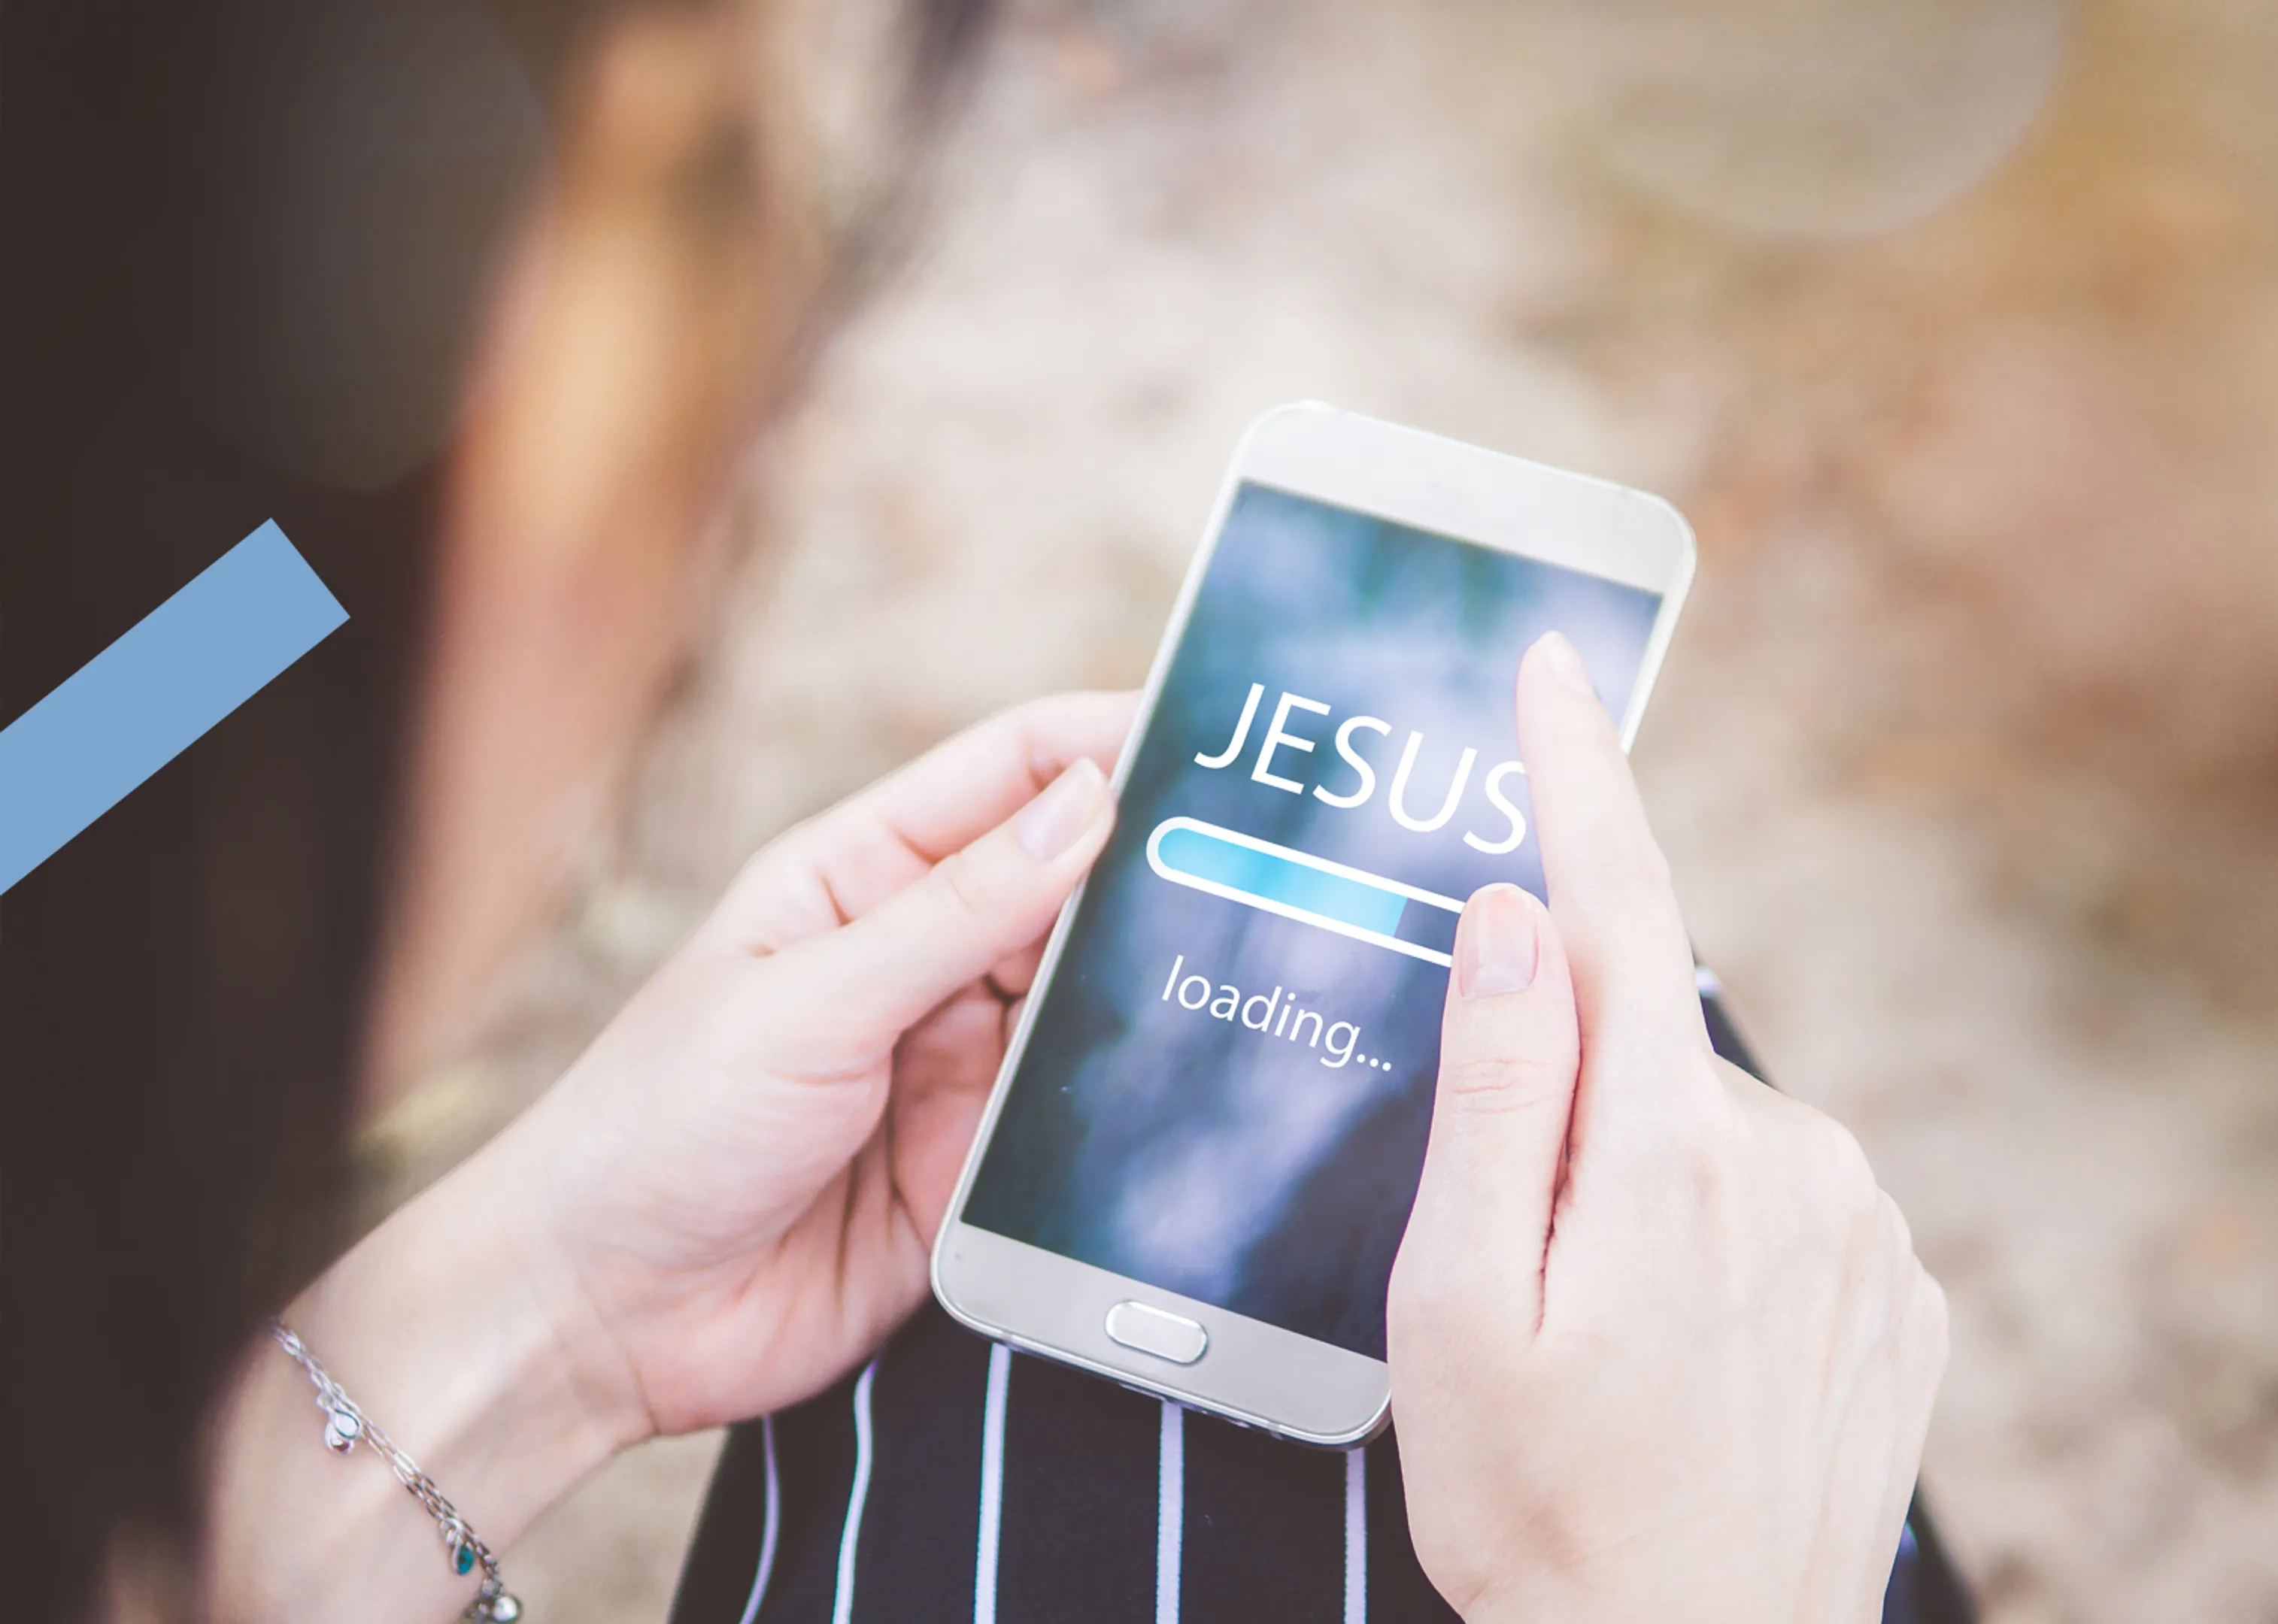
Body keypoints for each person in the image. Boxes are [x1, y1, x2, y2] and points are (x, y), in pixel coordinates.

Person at [2, 3, 1964, 1619]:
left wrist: (546, 1312)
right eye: (726, 205)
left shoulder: (139, 710)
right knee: (1609, 1115)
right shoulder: (254, 634)